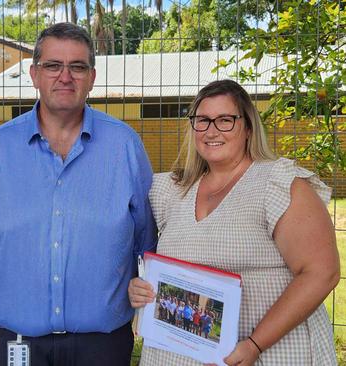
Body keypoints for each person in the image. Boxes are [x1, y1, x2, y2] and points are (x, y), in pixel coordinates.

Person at [0, 22, 156, 366]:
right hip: (11, 345)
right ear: (34, 74)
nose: (65, 76)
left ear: (92, 77)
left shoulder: (125, 147)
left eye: (77, 67)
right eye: (53, 66)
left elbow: (150, 243)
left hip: (102, 348)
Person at [128, 79, 339, 365]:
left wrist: (255, 344)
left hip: (267, 352)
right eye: (202, 120)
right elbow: (147, 260)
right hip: (179, 354)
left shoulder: (277, 183)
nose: (212, 131)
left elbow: (321, 273)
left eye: (225, 120)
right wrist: (140, 285)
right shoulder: (172, 190)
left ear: (248, 126)